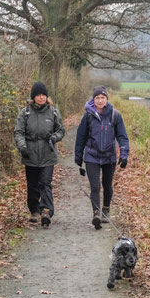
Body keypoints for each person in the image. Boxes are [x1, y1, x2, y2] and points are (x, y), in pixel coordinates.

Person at [74, 86, 130, 229]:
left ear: (106, 99)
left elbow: (122, 137)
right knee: (95, 186)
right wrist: (78, 157)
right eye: (97, 98)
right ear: (93, 100)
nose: (100, 100)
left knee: (107, 185)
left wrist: (124, 155)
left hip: (109, 157)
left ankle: (105, 209)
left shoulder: (114, 115)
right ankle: (96, 214)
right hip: (91, 156)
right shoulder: (88, 116)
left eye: (102, 98)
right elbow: (80, 137)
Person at [13, 81, 65, 227]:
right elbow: (18, 132)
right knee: (32, 185)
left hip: (48, 153)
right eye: (38, 95)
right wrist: (22, 147)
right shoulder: (25, 112)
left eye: (43, 95)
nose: (41, 97)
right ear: (33, 97)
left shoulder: (53, 112)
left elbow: (61, 130)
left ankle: (46, 211)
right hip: (30, 154)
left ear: (46, 97)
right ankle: (34, 210)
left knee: (45, 182)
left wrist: (54, 138)